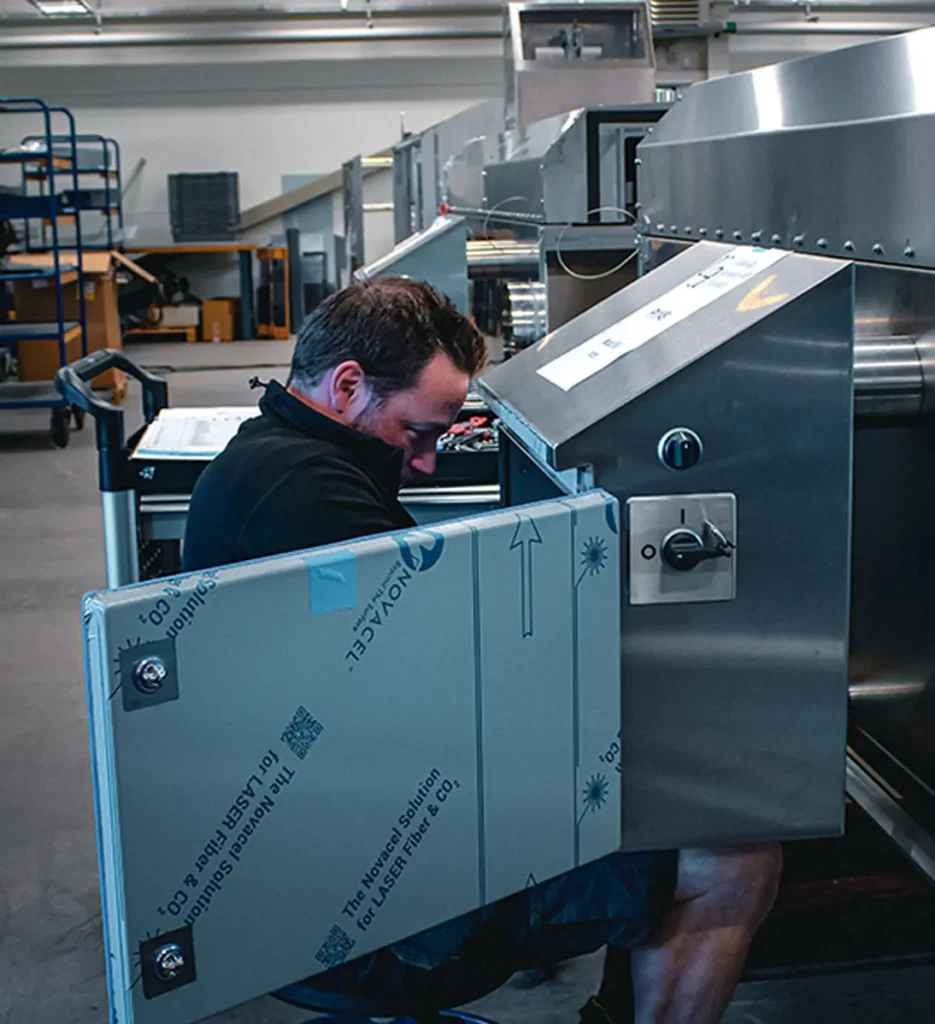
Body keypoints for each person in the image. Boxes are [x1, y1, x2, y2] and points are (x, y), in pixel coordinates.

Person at [182, 278, 782, 1023]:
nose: (429, 462)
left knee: (649, 811)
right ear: (346, 386)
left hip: (313, 846)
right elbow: (450, 702)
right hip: (365, 899)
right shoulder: (306, 492)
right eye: (419, 433)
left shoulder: (273, 459)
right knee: (729, 857)